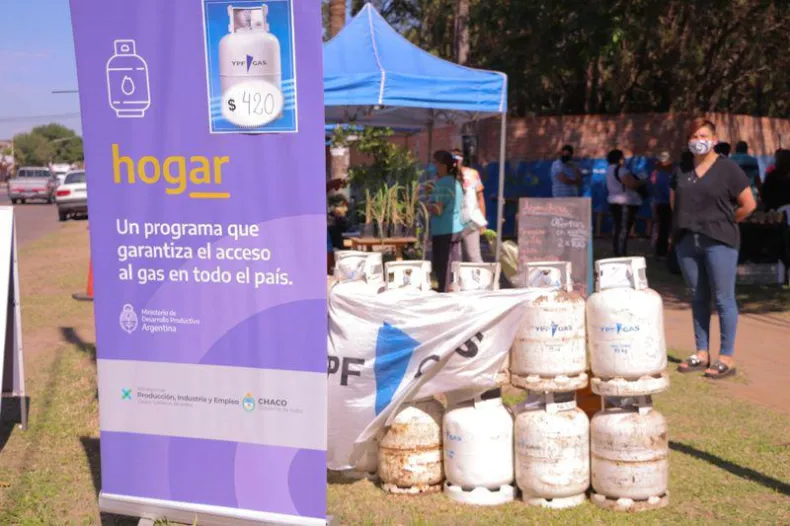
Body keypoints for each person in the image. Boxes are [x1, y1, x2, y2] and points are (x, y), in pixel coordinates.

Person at [673, 118, 756, 380]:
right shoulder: (682, 169)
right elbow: (675, 203)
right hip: (688, 241)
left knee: (723, 298)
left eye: (703, 136)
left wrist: (727, 221)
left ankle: (726, 357)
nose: (698, 140)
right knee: (698, 296)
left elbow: (749, 204)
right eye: (694, 136)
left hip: (719, 241)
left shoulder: (728, 168)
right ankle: (701, 352)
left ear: (714, 139)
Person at [427, 151, 464, 292]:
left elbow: (438, 209)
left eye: (434, 162)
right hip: (456, 228)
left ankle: (444, 293)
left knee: (442, 266)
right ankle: (453, 290)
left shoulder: (442, 184)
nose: (433, 165)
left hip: (443, 230)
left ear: (442, 165)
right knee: (453, 265)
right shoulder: (456, 182)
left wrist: (426, 205)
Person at [605, 149, 645, 257]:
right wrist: (641, 181)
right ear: (619, 159)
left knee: (619, 229)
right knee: (623, 230)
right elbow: (631, 184)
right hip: (624, 203)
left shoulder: (609, 169)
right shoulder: (621, 170)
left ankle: (619, 252)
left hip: (614, 202)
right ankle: (620, 254)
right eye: (623, 157)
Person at [452, 148, 486, 262]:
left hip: (471, 220)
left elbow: (480, 198)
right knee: (455, 257)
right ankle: (456, 275)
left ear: (461, 160)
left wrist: (482, 222)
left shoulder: (472, 174)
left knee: (473, 255)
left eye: (457, 159)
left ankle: (482, 274)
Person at [650, 152, 673, 259]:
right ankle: (661, 252)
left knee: (662, 229)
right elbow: (667, 192)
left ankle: (661, 251)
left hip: (661, 204)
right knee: (664, 229)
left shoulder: (659, 174)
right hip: (664, 205)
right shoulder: (662, 175)